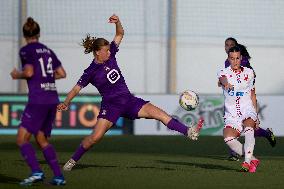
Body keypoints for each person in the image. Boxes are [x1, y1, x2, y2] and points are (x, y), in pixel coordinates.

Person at [57, 14, 204, 171]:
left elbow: (119, 34)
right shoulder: (90, 71)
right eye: (105, 51)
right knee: (94, 138)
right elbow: (76, 88)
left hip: (129, 101)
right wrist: (66, 102)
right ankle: (72, 161)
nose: (109, 52)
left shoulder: (111, 54)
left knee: (160, 114)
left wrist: (118, 22)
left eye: (109, 50)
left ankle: (189, 131)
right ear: (97, 52)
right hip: (111, 106)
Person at [10, 17, 67, 185]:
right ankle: (58, 176)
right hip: (52, 98)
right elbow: (62, 73)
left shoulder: (26, 50)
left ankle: (36, 172)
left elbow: (28, 72)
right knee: (41, 139)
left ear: (25, 35)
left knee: (21, 139)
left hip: (38, 99)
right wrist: (46, 78)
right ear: (39, 34)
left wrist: (16, 75)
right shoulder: (47, 50)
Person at [223, 37, 276, 161]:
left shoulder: (243, 61)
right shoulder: (227, 62)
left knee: (247, 127)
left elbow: (249, 74)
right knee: (236, 127)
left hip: (243, 96)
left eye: (231, 45)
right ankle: (239, 151)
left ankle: (239, 154)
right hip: (232, 97)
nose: (228, 47)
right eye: (226, 45)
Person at [218, 46, 260, 172]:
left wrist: (256, 115)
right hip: (232, 114)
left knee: (248, 128)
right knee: (227, 137)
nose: (235, 61)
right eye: (232, 58)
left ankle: (247, 163)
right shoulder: (223, 72)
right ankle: (252, 159)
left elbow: (252, 94)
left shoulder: (249, 73)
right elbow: (221, 80)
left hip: (247, 109)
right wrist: (225, 83)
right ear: (228, 59)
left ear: (241, 58)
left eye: (237, 58)